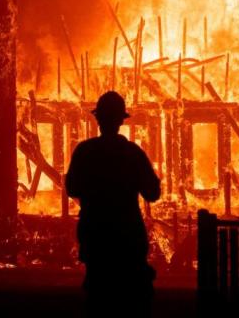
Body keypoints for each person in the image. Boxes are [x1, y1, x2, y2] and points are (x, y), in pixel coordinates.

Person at [66, 91, 161, 315]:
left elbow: (72, 188)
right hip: (128, 239)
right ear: (121, 121)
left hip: (96, 238)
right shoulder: (133, 154)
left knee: (98, 300)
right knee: (133, 301)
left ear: (98, 120)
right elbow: (152, 193)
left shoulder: (85, 152)